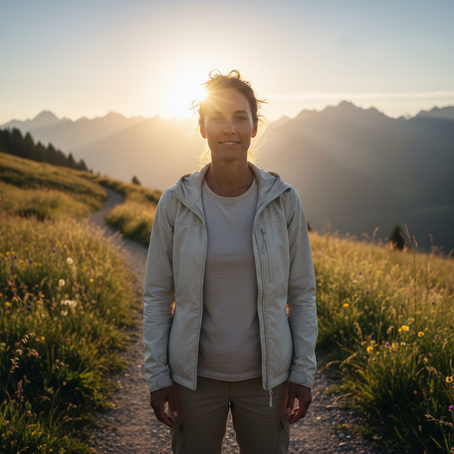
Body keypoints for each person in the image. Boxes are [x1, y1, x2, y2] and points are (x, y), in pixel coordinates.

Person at [143, 70, 318, 454]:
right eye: (217, 117)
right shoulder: (175, 202)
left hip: (267, 383)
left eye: (240, 117)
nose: (229, 128)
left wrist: (302, 373)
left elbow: (302, 293)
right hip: (193, 382)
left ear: (255, 128)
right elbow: (157, 295)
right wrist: (158, 377)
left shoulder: (284, 200)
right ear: (202, 127)